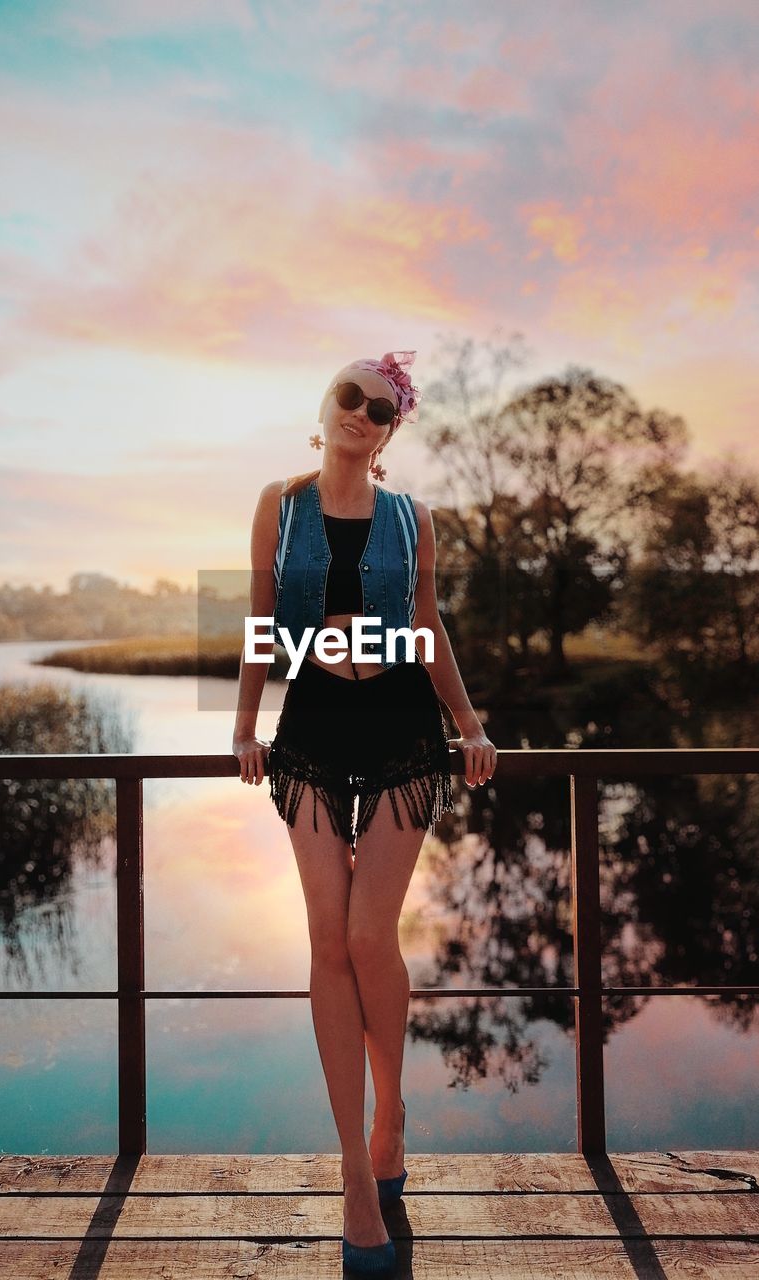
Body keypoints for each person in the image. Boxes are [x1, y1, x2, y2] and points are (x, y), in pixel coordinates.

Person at [232, 350, 497, 1276]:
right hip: (310, 730)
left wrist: (470, 725)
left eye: (379, 408)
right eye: (348, 395)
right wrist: (243, 727)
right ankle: (355, 1172)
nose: (359, 412)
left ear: (391, 432)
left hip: (397, 732)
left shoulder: (414, 518)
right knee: (323, 941)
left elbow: (428, 628)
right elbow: (262, 622)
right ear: (325, 404)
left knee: (367, 934)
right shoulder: (281, 503)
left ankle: (393, 1119)